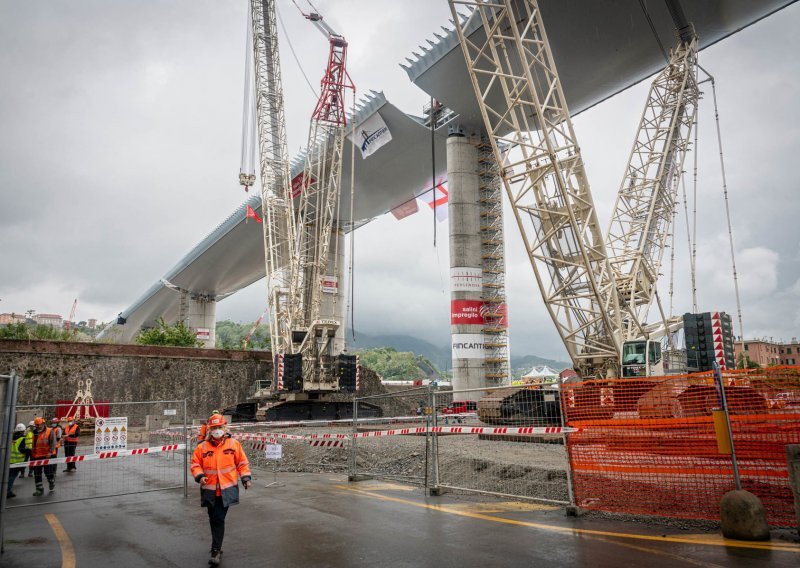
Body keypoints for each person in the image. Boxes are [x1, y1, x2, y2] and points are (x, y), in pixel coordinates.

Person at [191, 413, 252, 566]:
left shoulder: (233, 444)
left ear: (225, 427)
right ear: (209, 429)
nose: (217, 430)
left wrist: (245, 478)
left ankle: (215, 550)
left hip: (227, 489)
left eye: (219, 427)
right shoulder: (202, 447)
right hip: (209, 490)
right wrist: (200, 476)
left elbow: (242, 463)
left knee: (218, 518)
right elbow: (195, 464)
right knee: (213, 519)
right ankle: (217, 544)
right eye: (214, 428)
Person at [30, 417, 57, 496]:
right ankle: (39, 489)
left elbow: (53, 443)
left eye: (40, 424)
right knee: (37, 473)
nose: (38, 426)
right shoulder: (34, 432)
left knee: (48, 472)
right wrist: (32, 456)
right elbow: (33, 445)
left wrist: (50, 452)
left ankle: (51, 480)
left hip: (47, 456)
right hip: (37, 456)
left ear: (43, 423)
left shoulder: (50, 431)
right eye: (37, 425)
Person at [7, 423, 28, 499]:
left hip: (9, 460)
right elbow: (22, 450)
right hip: (17, 461)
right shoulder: (23, 439)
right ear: (23, 431)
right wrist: (27, 450)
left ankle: (5, 490)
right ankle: (7, 491)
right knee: (12, 476)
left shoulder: (11, 437)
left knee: (9, 476)